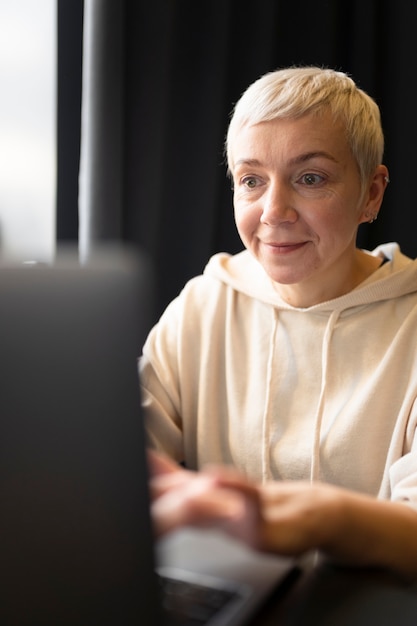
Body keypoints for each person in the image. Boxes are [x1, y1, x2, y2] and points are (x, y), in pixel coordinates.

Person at [139, 66, 417, 581]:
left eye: (310, 179)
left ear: (372, 194)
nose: (273, 211)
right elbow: (121, 463)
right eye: (251, 180)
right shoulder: (203, 306)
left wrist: (322, 519)